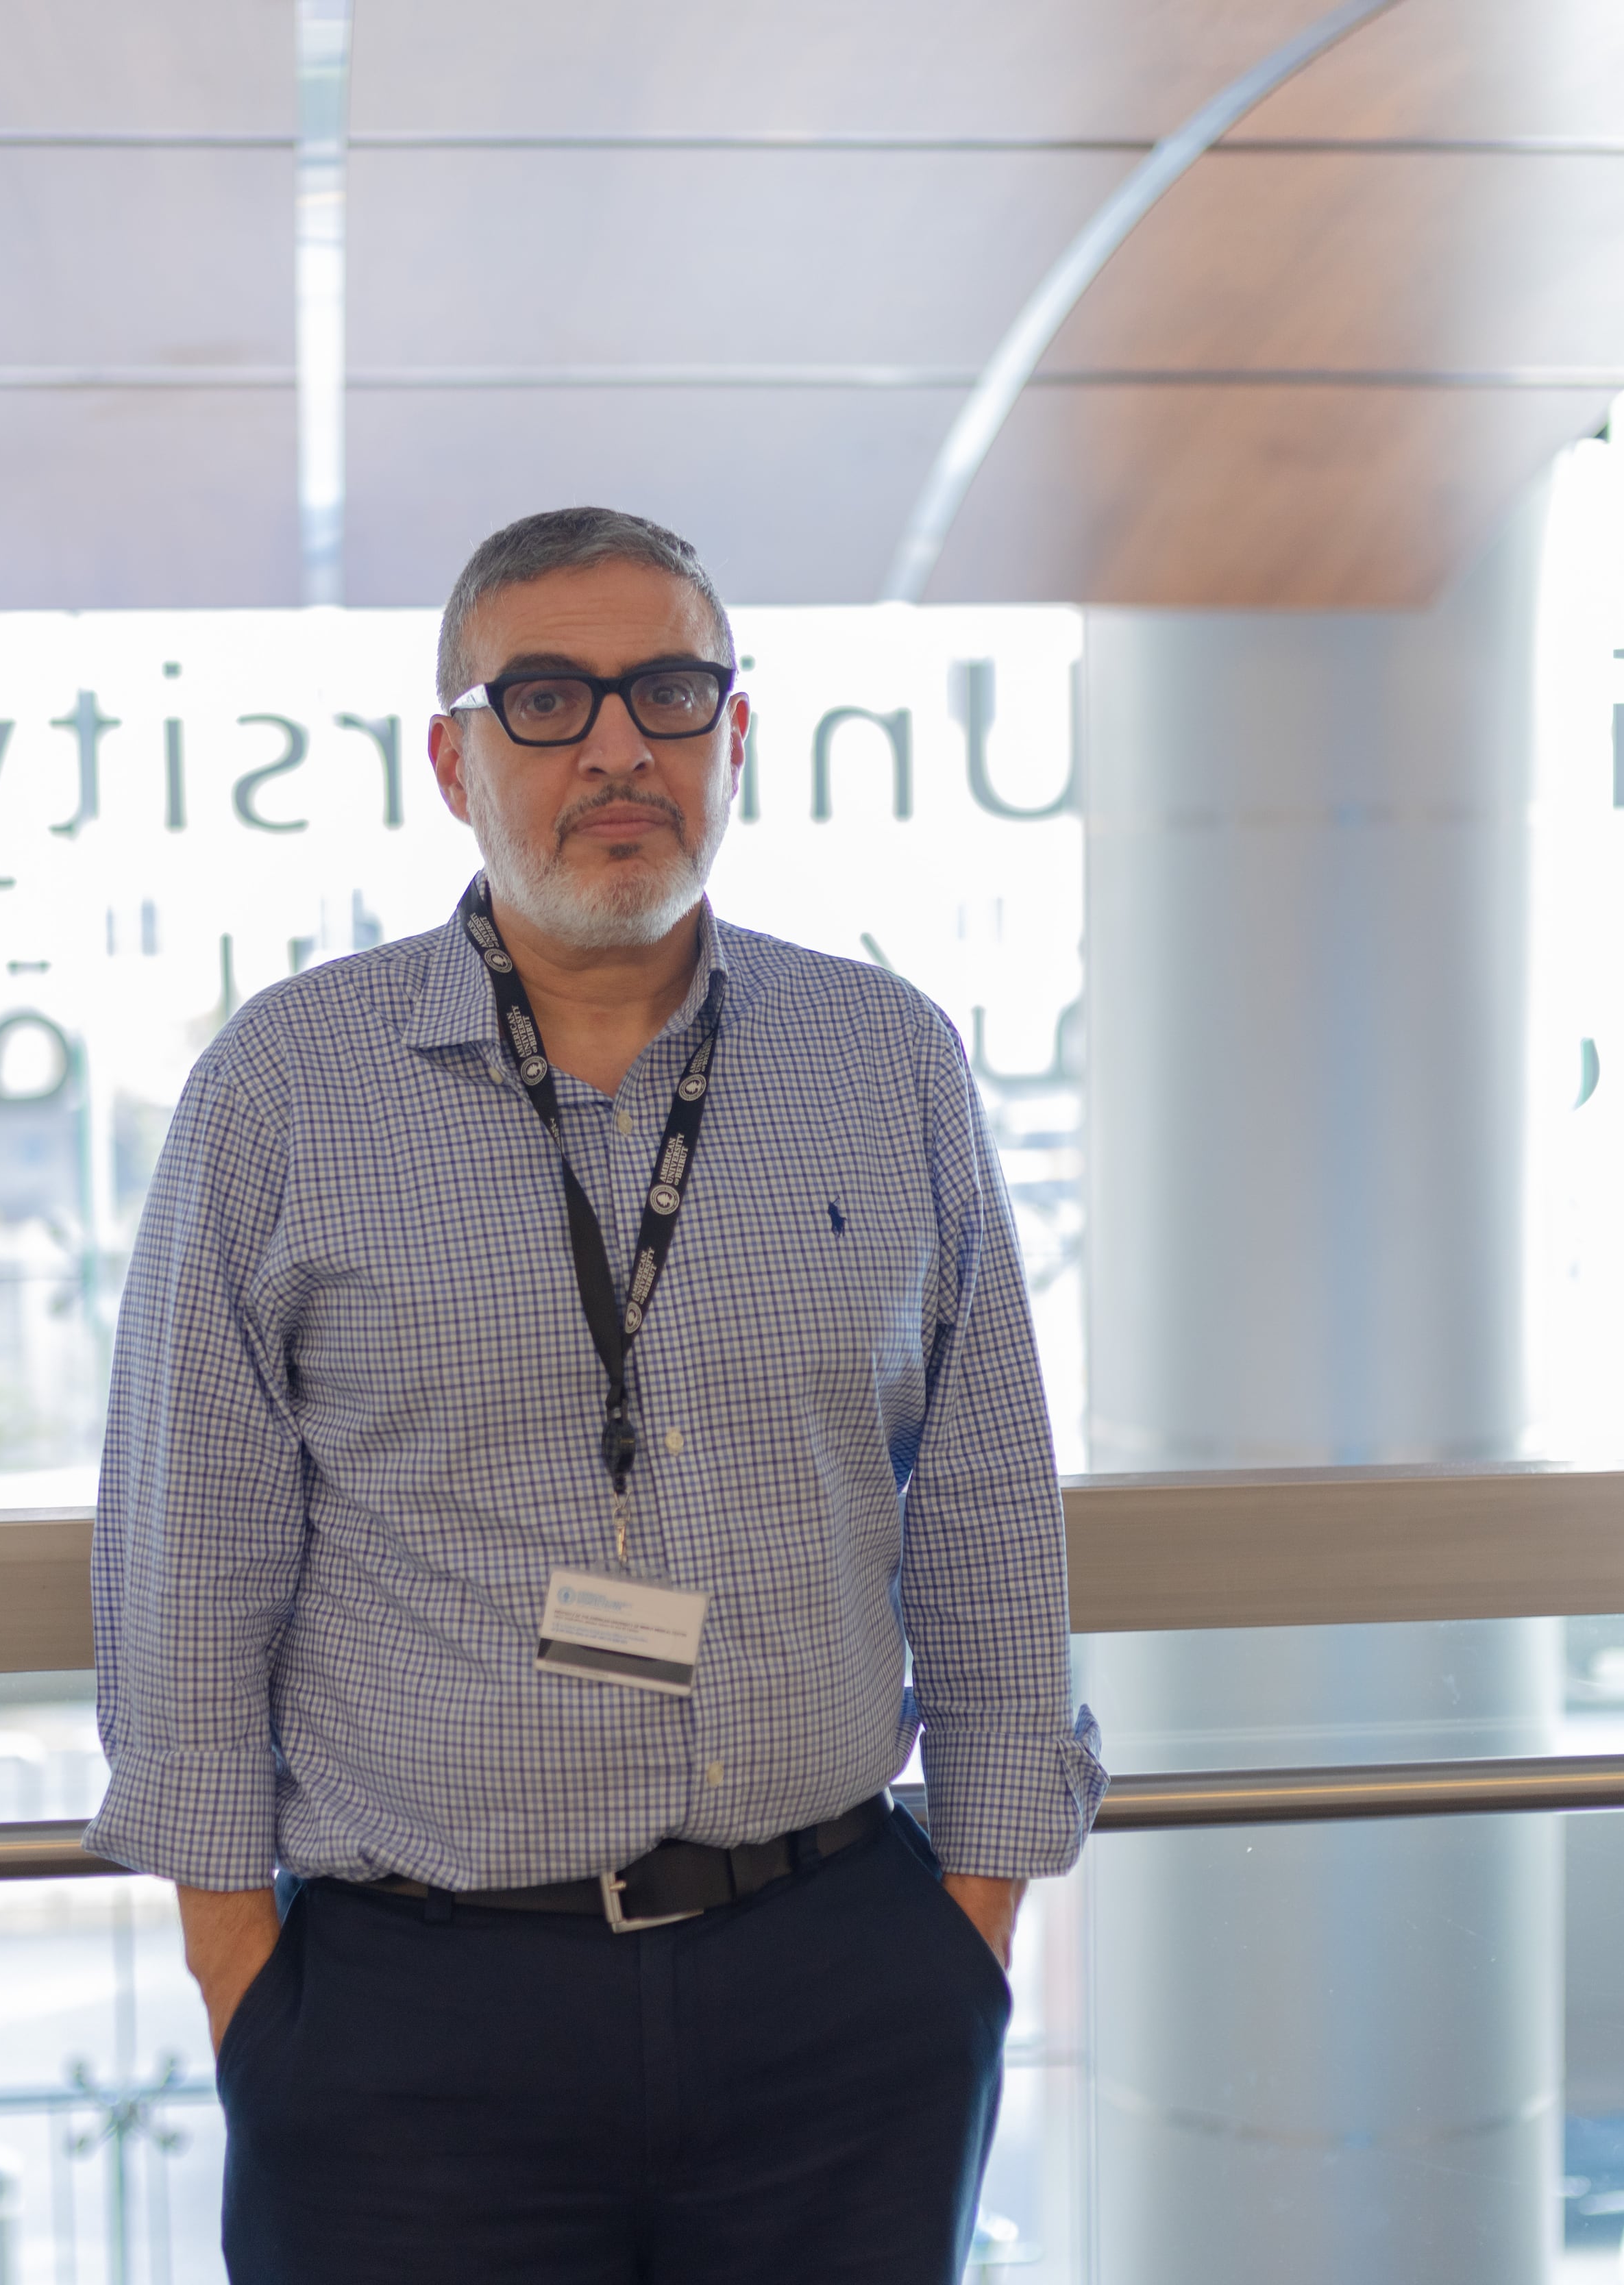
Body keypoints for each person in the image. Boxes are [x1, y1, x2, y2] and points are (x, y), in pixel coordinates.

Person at [90, 505, 1105, 2283]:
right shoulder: (288, 1086)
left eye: (669, 690)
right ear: (450, 753)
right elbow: (197, 1540)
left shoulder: (886, 1060)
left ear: (737, 732)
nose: (619, 743)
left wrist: (973, 1923)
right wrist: (244, 1974)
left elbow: (990, 1501)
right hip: (412, 2020)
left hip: (840, 1987)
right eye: (548, 697)